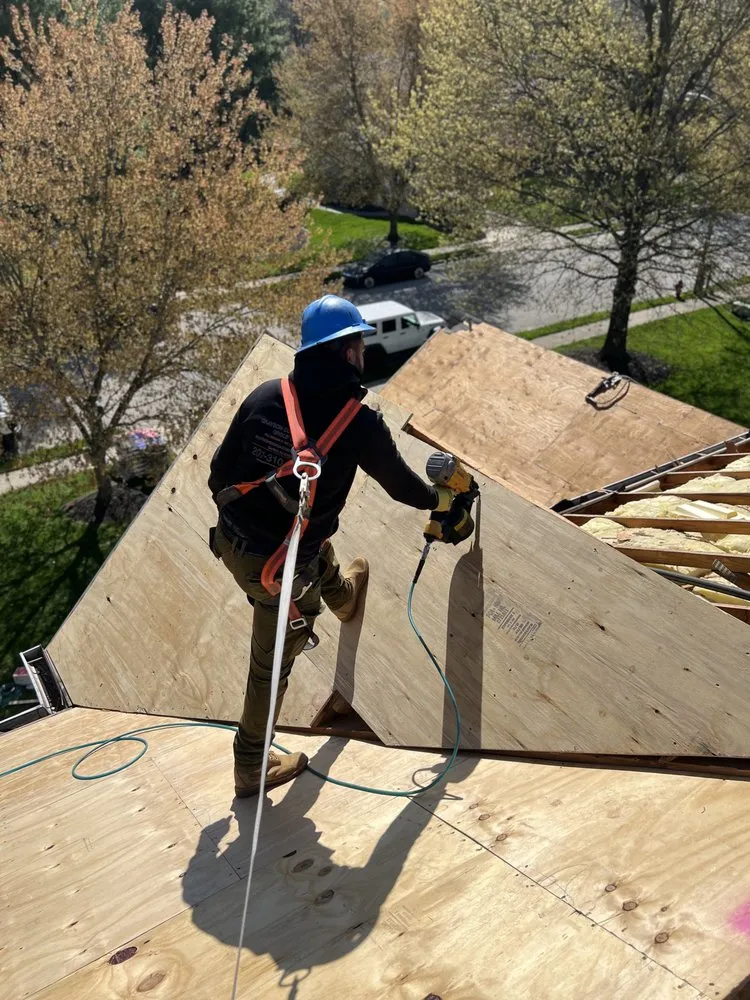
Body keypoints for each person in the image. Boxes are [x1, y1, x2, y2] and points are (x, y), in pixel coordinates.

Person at [208, 294, 454, 797]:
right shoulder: (357, 423)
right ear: (346, 352)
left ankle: (342, 597)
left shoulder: (264, 396)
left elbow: (217, 475)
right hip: (277, 572)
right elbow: (404, 488)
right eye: (360, 341)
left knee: (313, 539)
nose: (364, 350)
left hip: (234, 545)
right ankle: (251, 765)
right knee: (269, 664)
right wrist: (440, 499)